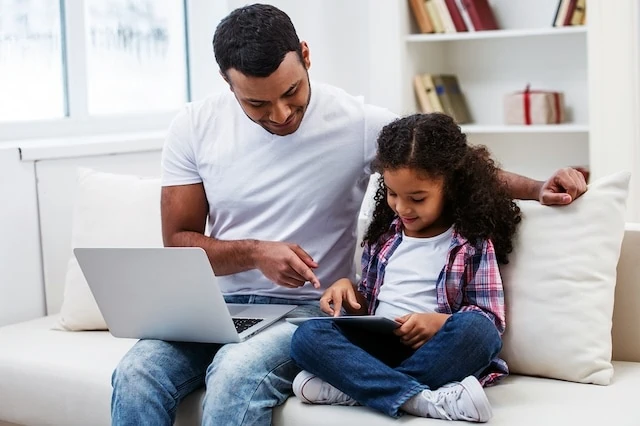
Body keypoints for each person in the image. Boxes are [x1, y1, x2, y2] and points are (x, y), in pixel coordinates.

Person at [110, 4, 587, 426]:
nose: (279, 114)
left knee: (234, 375)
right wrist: (256, 253)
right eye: (257, 102)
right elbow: (179, 240)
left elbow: (443, 165)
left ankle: (381, 389)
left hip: (305, 312)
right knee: (135, 373)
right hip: (214, 308)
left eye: (292, 91)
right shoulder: (193, 127)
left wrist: (537, 187)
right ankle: (411, 395)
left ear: (306, 55)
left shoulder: (357, 123)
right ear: (227, 82)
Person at [290, 113, 521, 422]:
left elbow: (490, 320)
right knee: (307, 336)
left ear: (450, 187)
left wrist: (437, 323)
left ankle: (360, 390)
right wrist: (349, 291)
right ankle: (422, 400)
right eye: (393, 193)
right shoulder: (384, 238)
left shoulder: (470, 243)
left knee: (479, 333)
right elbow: (368, 306)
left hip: (436, 349)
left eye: (417, 198)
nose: (402, 207)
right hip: (379, 348)